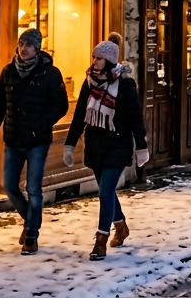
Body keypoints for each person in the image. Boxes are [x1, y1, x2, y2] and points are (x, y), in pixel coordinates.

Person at [0, 29, 69, 255]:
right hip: (12, 138)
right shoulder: (9, 71)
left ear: (37, 48)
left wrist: (43, 123)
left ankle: (31, 234)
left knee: (33, 188)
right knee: (9, 186)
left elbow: (61, 105)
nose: (24, 48)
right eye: (21, 44)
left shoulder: (50, 73)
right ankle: (30, 219)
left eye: (29, 45)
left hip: (37, 140)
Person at [64, 39, 148, 261]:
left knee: (104, 192)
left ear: (109, 61)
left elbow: (135, 118)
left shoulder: (125, 85)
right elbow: (81, 113)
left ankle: (100, 240)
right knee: (107, 191)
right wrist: (70, 143)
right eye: (94, 57)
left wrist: (141, 146)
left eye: (99, 58)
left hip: (117, 145)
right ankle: (121, 226)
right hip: (95, 145)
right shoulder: (89, 82)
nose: (95, 61)